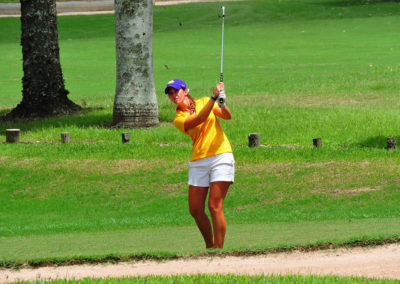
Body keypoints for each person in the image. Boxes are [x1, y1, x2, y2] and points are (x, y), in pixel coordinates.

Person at [165, 78, 234, 249]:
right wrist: (213, 98)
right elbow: (199, 120)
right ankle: (210, 246)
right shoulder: (178, 118)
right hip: (198, 161)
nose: (174, 95)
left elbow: (227, 116)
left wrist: (222, 102)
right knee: (195, 209)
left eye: (176, 91)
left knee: (214, 205)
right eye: (170, 93)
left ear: (186, 90)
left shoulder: (204, 101)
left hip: (220, 155)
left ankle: (219, 251)